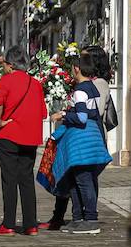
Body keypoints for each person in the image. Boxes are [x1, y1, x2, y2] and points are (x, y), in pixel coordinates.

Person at [44, 44, 113, 231]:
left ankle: (90, 219)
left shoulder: (82, 90)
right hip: (88, 139)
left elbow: (83, 116)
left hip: (82, 142)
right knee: (76, 180)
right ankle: (78, 218)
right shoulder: (92, 87)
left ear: (76, 69)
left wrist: (63, 115)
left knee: (83, 180)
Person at [0, 46, 46, 236]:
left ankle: (9, 224)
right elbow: (43, 112)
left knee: (9, 179)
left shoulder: (7, 80)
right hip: (30, 136)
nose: (4, 67)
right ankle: (31, 224)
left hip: (9, 133)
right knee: (27, 179)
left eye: (4, 63)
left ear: (11, 65)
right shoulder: (35, 83)